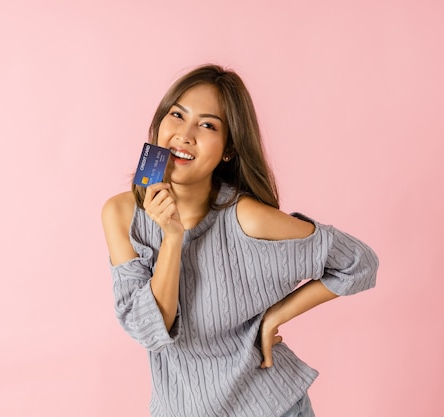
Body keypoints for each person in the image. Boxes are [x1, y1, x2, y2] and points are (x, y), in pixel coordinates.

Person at [101, 64, 378, 417]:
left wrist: (275, 316)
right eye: (177, 115)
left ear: (228, 150)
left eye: (207, 125)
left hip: (269, 407)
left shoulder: (247, 217)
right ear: (158, 125)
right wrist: (172, 236)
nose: (185, 135)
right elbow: (150, 332)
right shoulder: (123, 215)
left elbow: (359, 262)